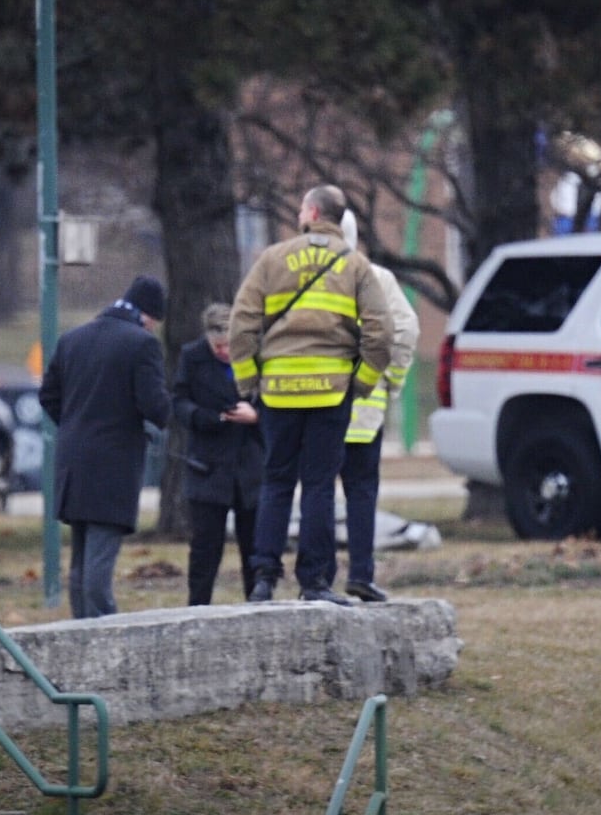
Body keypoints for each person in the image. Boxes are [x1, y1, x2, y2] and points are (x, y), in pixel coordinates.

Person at [229, 185, 391, 605]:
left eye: (302, 206)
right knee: (318, 485)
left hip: (279, 392)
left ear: (313, 211)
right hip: (330, 393)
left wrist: (249, 383)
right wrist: (361, 383)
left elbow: (242, 324)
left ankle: (263, 577)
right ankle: (315, 583)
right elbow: (380, 332)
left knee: (276, 481)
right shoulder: (355, 266)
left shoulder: (272, 258)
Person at [38, 274, 171, 619]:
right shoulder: (141, 344)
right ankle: (104, 634)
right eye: (154, 323)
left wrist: (73, 426)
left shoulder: (72, 339)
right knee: (97, 566)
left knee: (81, 564)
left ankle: (79, 634)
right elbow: (156, 408)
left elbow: (48, 396)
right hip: (112, 465)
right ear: (148, 315)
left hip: (72, 462)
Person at [328, 209, 420, 602]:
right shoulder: (377, 278)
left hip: (315, 407)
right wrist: (392, 380)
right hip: (365, 411)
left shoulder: (303, 277)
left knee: (317, 492)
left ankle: (318, 577)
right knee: (361, 494)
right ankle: (361, 574)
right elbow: (406, 329)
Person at [171, 302, 264, 605]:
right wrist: (204, 417)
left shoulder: (256, 353)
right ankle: (198, 606)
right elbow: (180, 401)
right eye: (218, 346)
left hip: (250, 464)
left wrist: (256, 415)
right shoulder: (193, 357)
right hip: (208, 464)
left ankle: (258, 603)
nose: (225, 351)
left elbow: (276, 396)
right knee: (205, 547)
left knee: (255, 545)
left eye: (229, 345)